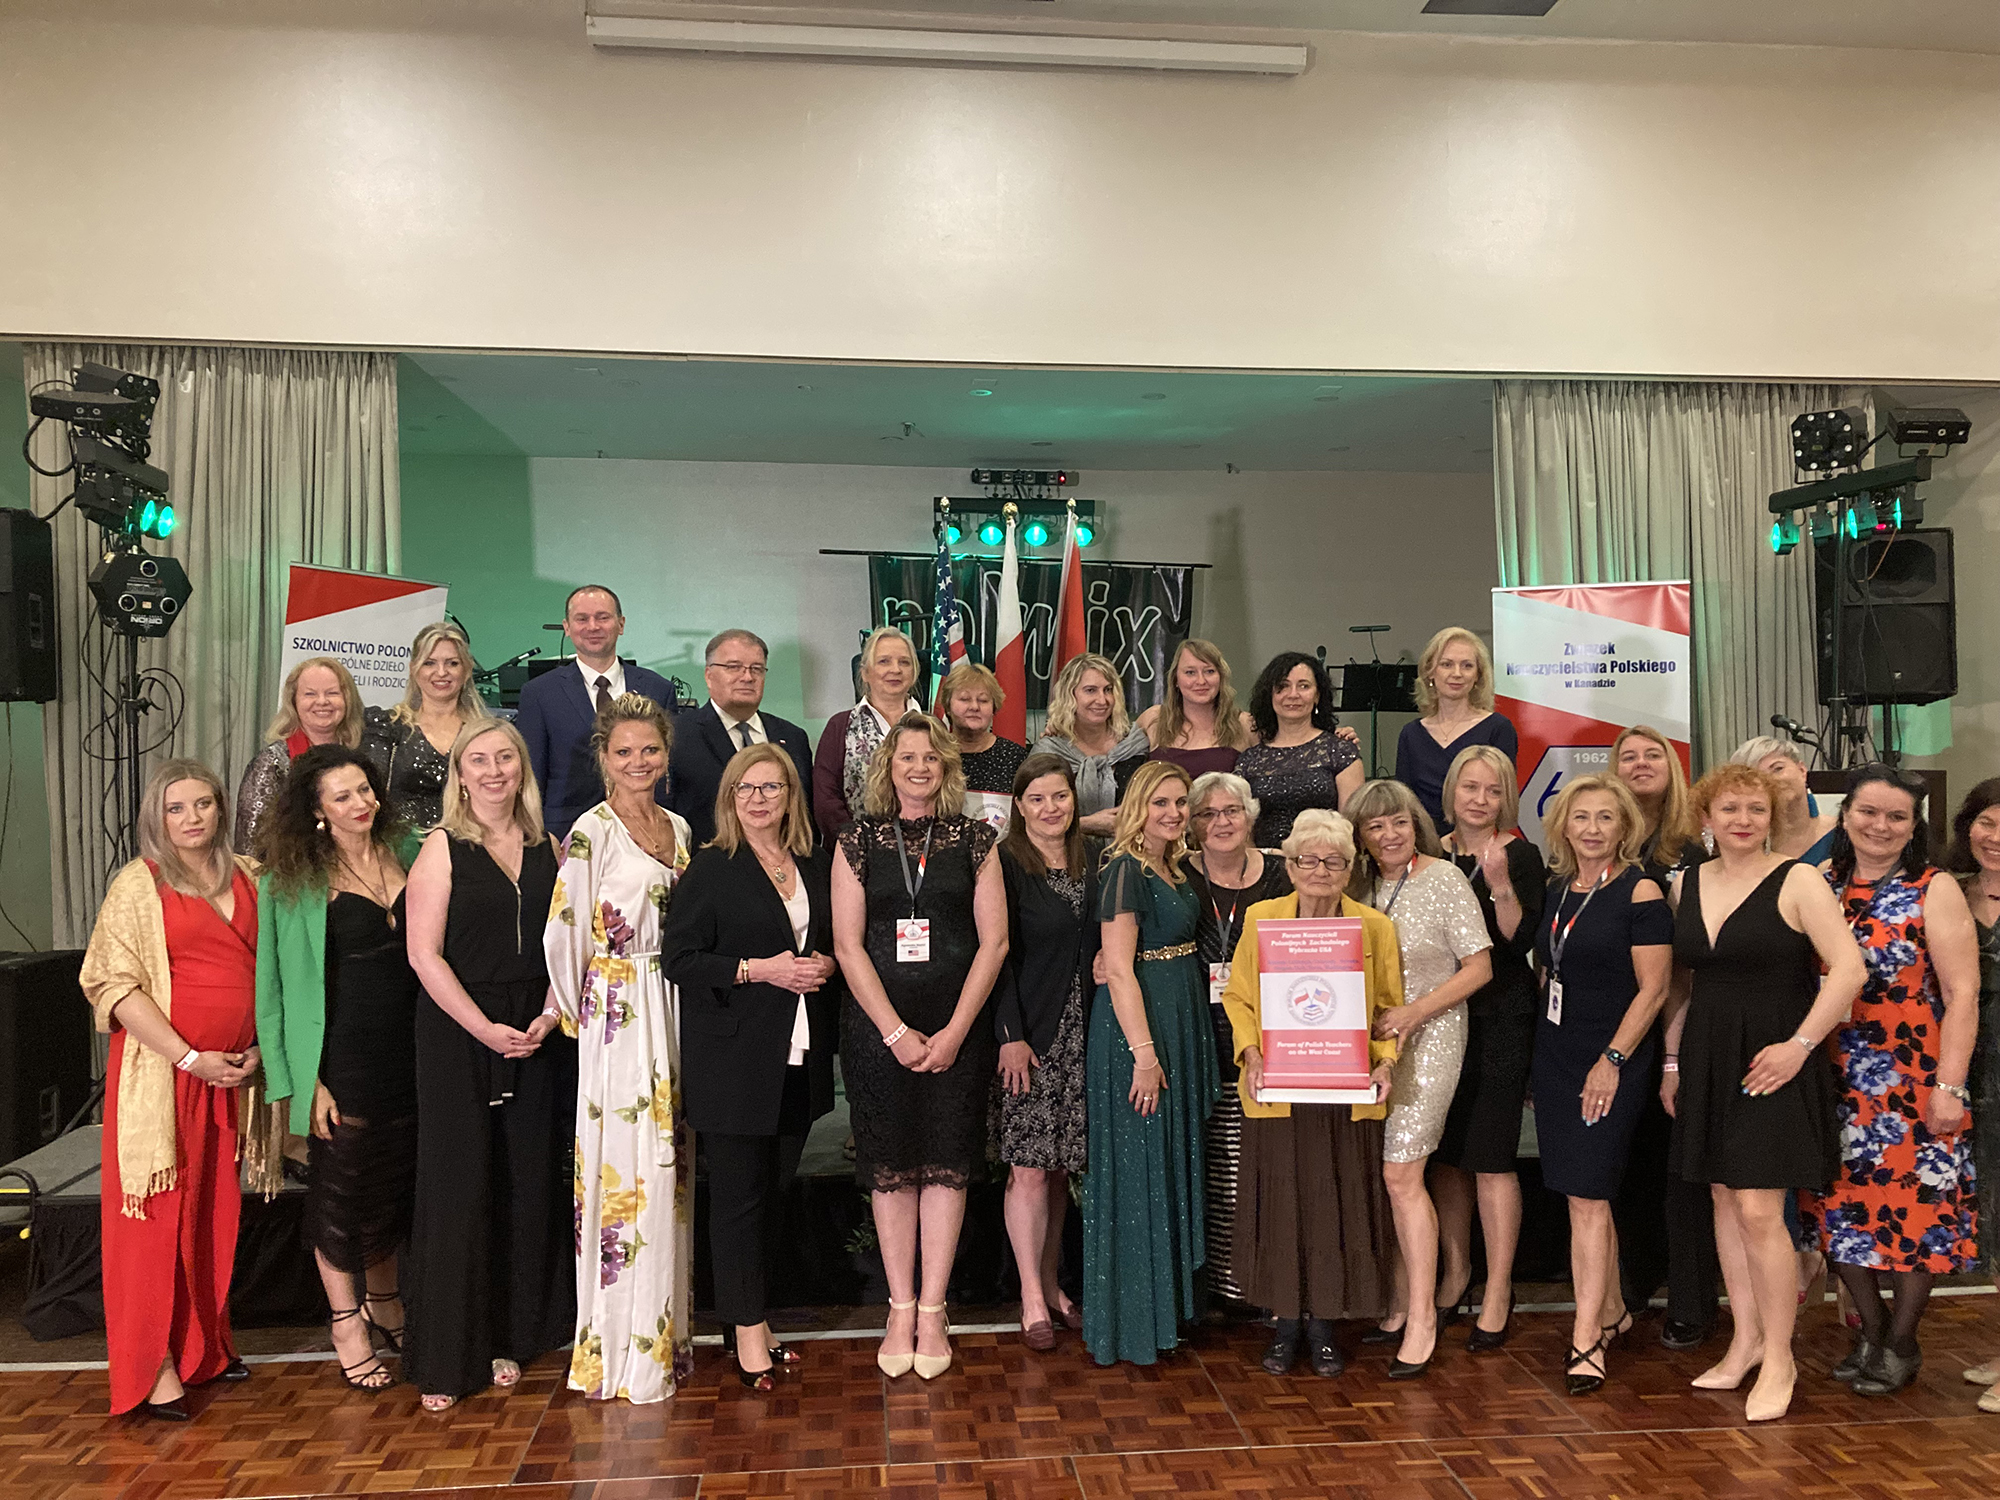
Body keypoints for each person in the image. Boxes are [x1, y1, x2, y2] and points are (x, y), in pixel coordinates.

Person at [1663, 762, 1866, 1423]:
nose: (1743, 819)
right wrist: (1672, 1062)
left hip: (1775, 1056)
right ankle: (1746, 1340)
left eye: (1755, 809)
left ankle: (1780, 1355)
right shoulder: (1688, 882)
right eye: (1730, 808)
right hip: (1708, 1053)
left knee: (1757, 1209)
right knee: (1724, 1198)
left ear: (1771, 817)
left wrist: (1799, 1047)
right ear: (1707, 818)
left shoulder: (1798, 879)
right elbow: (1685, 985)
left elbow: (1850, 971)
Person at [80, 760, 283, 1419]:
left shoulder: (253, 876)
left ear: (222, 808)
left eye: (203, 804)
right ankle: (152, 1366)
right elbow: (111, 984)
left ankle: (204, 1349)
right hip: (165, 1075)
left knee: (210, 1217)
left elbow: (277, 975)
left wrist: (259, 1051)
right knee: (153, 1220)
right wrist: (190, 1057)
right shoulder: (138, 885)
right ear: (157, 818)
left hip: (233, 1075)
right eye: (176, 808)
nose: (192, 818)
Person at [832, 713, 1008, 1380]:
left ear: (946, 767)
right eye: (907, 756)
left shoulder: (976, 838)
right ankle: (899, 1307)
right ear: (888, 766)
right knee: (891, 1168)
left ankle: (933, 1310)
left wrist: (956, 1031)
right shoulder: (858, 840)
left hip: (957, 1029)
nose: (919, 767)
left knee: (946, 1166)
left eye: (931, 757)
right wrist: (896, 1033)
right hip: (880, 1032)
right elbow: (847, 945)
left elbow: (995, 942)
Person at [403, 720, 573, 1411]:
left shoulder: (549, 846)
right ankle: (449, 1359)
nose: (495, 769)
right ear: (461, 774)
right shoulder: (440, 848)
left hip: (537, 1032)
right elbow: (423, 955)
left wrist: (549, 1015)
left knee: (526, 1183)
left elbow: (570, 944)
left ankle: (513, 1336)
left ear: (521, 768)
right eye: (479, 759)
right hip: (460, 1033)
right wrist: (482, 1030)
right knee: (460, 1187)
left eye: (506, 757)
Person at [1800, 763, 1981, 1398]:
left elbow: (1962, 994)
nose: (1880, 826)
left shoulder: (1934, 887)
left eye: (1896, 816)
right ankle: (1872, 1331)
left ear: (1914, 826)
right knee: (1838, 1211)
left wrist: (1950, 1087)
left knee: (1915, 1214)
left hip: (1912, 1079)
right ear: (1845, 815)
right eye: (1868, 812)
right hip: (1831, 1076)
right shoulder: (1819, 882)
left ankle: (1901, 1341)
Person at [662, 742, 839, 1392]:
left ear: (791, 796)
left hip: (798, 1056)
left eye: (772, 787)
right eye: (746, 788)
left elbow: (826, 942)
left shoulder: (811, 863)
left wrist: (826, 963)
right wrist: (758, 970)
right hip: (733, 1061)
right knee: (739, 1202)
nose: (759, 799)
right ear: (730, 799)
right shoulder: (713, 868)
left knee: (773, 1196)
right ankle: (745, 1333)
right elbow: (679, 960)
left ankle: (755, 1318)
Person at [544, 694, 697, 1405]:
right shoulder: (591, 830)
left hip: (674, 1002)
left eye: (650, 750)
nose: (639, 762)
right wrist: (586, 1016)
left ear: (666, 755)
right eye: (624, 751)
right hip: (618, 1012)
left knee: (669, 1169)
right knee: (625, 1171)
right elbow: (565, 932)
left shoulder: (681, 827)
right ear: (603, 759)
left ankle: (665, 1338)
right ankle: (618, 1351)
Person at [254, 746, 419, 1394]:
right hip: (340, 1059)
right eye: (343, 796)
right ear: (317, 810)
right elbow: (271, 993)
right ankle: (347, 1323)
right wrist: (301, 1082)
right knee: (342, 1193)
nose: (360, 803)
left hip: (412, 1048)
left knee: (394, 1185)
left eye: (364, 790)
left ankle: (387, 1304)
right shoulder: (289, 880)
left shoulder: (407, 850)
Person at [1223, 809, 1400, 1378]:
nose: (1320, 870)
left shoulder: (1374, 927)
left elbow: (1388, 1007)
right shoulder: (1262, 918)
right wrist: (1251, 1052)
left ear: (1350, 869)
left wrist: (1386, 1062)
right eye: (1308, 860)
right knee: (1280, 1205)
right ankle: (1284, 1325)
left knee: (1334, 1206)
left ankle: (1324, 1325)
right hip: (1277, 1087)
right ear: (1291, 865)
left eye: (1333, 861)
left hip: (1345, 1093)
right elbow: (1239, 997)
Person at [1529, 775, 1673, 1395]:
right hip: (1557, 1056)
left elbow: (1656, 989)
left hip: (1612, 1057)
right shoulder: (1558, 889)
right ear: (1563, 825)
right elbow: (1550, 970)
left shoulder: (1641, 891)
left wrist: (1612, 1058)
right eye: (1581, 816)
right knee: (1579, 1195)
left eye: (1605, 818)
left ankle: (1586, 1336)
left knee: (1589, 1193)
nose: (1592, 828)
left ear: (1624, 828)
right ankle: (1611, 1309)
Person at [1348, 778, 1492, 1379]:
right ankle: (1402, 1300)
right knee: (1384, 1175)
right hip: (1364, 1045)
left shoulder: (1445, 878)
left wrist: (1414, 1012)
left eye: (1399, 822)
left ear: (1417, 825)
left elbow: (1479, 968)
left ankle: (1424, 1319)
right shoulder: (1355, 885)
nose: (1389, 834)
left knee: (1401, 1173)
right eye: (1375, 825)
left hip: (1430, 1037)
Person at [1083, 761, 1219, 1366]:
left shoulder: (1174, 865)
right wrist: (1143, 1055)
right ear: (1137, 807)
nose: (1173, 812)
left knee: (1166, 1160)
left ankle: (1169, 1310)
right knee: (1139, 1168)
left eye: (1181, 802)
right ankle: (1135, 1323)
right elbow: (1117, 968)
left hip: (1178, 1015)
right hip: (1139, 1032)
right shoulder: (1125, 870)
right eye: (1160, 802)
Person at [1432, 745, 1545, 1353]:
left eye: (1493, 790)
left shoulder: (1519, 854)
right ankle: (1456, 1275)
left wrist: (1499, 883)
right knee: (1447, 1157)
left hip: (1501, 1017)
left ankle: (1499, 1290)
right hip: (1439, 1018)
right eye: (1470, 787)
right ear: (1451, 791)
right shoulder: (1430, 850)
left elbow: (1520, 940)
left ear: (1507, 798)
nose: (1480, 799)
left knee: (1492, 1157)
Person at [990, 753, 1097, 1349]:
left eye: (1059, 796)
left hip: (1088, 1033)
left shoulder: (1094, 859)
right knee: (1028, 1169)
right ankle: (1030, 1294)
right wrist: (1009, 1034)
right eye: (1037, 799)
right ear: (1019, 806)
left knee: (1058, 1170)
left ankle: (1053, 1283)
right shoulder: (1005, 863)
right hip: (1030, 1035)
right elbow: (995, 953)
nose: (1050, 808)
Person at [1609, 721, 1710, 1350]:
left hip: (1680, 1024)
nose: (1641, 764)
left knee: (1682, 1172)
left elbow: (1691, 958)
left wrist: (1673, 1053)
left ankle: (1692, 1301)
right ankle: (1631, 1287)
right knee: (1627, 1164)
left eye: (1653, 754)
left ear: (1672, 769)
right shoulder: (1602, 850)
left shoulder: (1695, 851)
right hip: (1616, 1027)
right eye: (1629, 756)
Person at [1183, 769, 1292, 1306]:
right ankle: (1222, 1288)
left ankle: (1262, 1284)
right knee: (1216, 1172)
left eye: (1231, 811)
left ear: (1250, 816)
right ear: (1192, 824)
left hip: (1269, 1045)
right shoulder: (1178, 875)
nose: (1221, 822)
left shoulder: (1284, 874)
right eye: (1208, 813)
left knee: (1265, 1169)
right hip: (1198, 1041)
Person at [515, 585, 680, 839]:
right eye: (582, 619)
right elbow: (532, 777)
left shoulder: (658, 689)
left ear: (621, 624)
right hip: (565, 835)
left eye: (603, 617)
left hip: (648, 833)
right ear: (567, 627)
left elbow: (670, 770)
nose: (593, 627)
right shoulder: (539, 694)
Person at [1946, 779, 2000, 1408]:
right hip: (1968, 1065)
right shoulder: (1951, 891)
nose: (1995, 837)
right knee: (1988, 1208)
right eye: (1987, 822)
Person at [667, 628, 815, 851]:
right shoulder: (677, 735)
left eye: (756, 669)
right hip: (708, 864)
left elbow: (805, 815)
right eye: (734, 667)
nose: (747, 677)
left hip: (785, 862)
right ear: (709, 675)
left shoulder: (793, 737)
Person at [363, 621, 489, 834]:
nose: (441, 672)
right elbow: (367, 794)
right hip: (402, 846)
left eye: (452, 663)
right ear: (414, 669)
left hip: (470, 843)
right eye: (429, 663)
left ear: (467, 670)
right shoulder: (388, 727)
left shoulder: (485, 733)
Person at [1394, 627, 1519, 832]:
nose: (1457, 674)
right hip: (1424, 842)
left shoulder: (1498, 728)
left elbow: (1502, 798)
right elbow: (1403, 803)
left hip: (1478, 841)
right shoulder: (1411, 734)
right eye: (1447, 664)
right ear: (1430, 672)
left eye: (1467, 666)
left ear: (1478, 675)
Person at [235, 656, 364, 854]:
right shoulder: (272, 763)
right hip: (292, 869)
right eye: (310, 694)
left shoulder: (362, 756)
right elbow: (250, 847)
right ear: (293, 702)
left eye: (332, 693)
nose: (322, 701)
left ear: (347, 699)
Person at [1237, 651, 1363, 847]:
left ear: (1317, 695)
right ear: (1270, 695)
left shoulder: (1341, 751)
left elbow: (1350, 828)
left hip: (1324, 860)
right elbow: (1241, 830)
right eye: (1283, 686)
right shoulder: (1249, 759)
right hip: (1263, 862)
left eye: (1304, 686)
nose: (1293, 694)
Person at [813, 626, 925, 842]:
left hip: (924, 848)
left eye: (904, 662)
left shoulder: (933, 728)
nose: (895, 669)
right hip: (856, 851)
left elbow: (947, 790)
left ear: (914, 672)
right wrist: (861, 845)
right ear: (865, 672)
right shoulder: (839, 726)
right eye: (884, 661)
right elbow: (826, 799)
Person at [1032, 653, 1151, 838]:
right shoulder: (1049, 752)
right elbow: (1032, 820)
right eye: (1090, 690)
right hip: (1069, 850)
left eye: (1108, 690)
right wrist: (1086, 824)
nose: (1102, 700)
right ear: (1069, 695)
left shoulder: (1136, 743)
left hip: (1135, 848)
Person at [1138, 638, 1254, 779]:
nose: (1201, 681)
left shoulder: (1244, 723)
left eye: (1209, 671)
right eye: (1190, 672)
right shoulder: (1154, 719)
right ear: (1175, 679)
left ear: (1221, 676)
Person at [940, 660, 1027, 831]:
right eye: (965, 699)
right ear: (948, 706)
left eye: (983, 700)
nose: (974, 707)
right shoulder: (936, 754)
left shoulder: (1015, 757)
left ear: (994, 708)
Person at [1730, 735, 1840, 863]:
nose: (1771, 780)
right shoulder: (1744, 844)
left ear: (1802, 770)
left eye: (1778, 769)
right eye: (1758, 777)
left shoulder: (1843, 834)